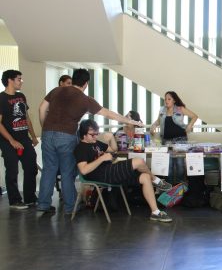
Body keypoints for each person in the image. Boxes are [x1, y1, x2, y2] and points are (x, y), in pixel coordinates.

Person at [38, 68, 142, 214]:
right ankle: (69, 207)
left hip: (48, 134)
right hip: (66, 136)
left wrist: (45, 129)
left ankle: (43, 204)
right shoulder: (85, 99)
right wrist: (132, 121)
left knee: (49, 170)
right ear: (86, 83)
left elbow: (41, 109)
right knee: (68, 172)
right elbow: (109, 114)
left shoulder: (56, 91)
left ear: (73, 79)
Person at [74, 119, 173, 222]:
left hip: (110, 171)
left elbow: (113, 149)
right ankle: (156, 180)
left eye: (97, 133)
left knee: (145, 177)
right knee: (138, 161)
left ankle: (155, 212)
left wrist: (111, 137)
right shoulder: (80, 149)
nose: (95, 136)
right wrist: (102, 159)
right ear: (83, 135)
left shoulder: (96, 143)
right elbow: (84, 170)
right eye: (92, 134)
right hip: (102, 175)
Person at [0, 70, 38, 209]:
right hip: (7, 140)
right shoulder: (1, 98)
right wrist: (11, 140)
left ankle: (30, 198)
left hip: (24, 138)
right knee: (12, 170)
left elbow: (26, 117)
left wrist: (33, 136)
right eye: (19, 79)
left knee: (31, 167)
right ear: (10, 80)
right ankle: (15, 200)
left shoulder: (21, 96)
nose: (21, 81)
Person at [150, 91, 199, 183]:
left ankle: (181, 187)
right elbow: (158, 121)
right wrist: (153, 126)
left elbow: (194, 116)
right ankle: (170, 189)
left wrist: (189, 126)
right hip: (166, 141)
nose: (166, 101)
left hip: (180, 140)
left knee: (180, 165)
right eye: (165, 99)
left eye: (169, 99)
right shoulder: (162, 110)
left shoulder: (180, 109)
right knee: (169, 165)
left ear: (174, 100)